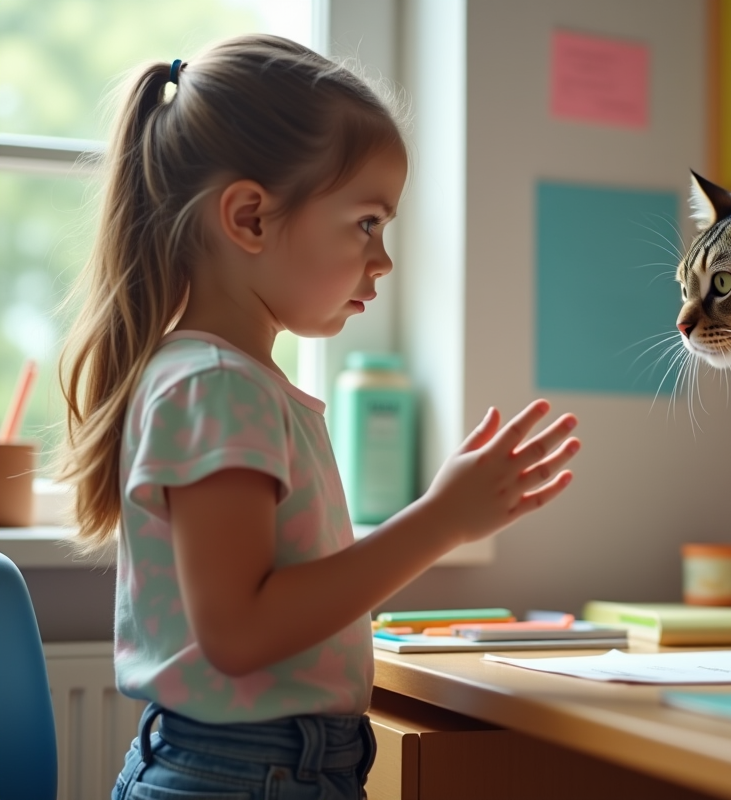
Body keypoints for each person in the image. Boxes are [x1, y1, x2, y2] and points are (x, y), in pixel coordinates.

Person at [56, 34, 581, 800]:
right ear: (250, 219)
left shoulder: (231, 383)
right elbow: (240, 632)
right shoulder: (214, 387)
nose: (384, 260)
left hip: (275, 768)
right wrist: (441, 520)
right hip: (242, 776)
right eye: (367, 222)